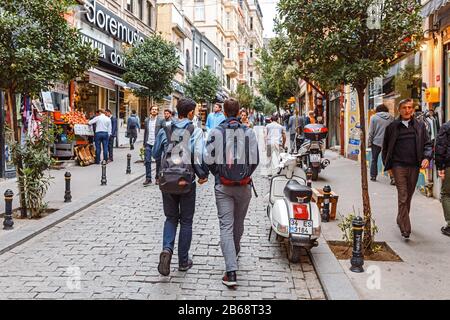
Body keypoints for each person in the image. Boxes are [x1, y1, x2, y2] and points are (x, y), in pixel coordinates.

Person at [205, 98, 259, 287]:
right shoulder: (249, 132)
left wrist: (219, 175)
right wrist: (244, 175)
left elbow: (208, 158)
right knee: (239, 224)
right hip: (244, 187)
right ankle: (233, 254)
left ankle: (231, 271)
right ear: (238, 113)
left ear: (224, 113)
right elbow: (255, 160)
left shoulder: (216, 131)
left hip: (223, 187)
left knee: (225, 227)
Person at [153, 98, 209, 276]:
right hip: (186, 181)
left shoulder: (165, 129)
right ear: (191, 113)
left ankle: (167, 250)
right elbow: (199, 155)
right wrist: (203, 174)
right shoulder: (195, 130)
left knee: (170, 218)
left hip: (167, 180)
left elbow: (155, 153)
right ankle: (183, 261)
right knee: (186, 221)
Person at [382, 98, 432, 240]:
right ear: (399, 110)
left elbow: (428, 144)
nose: (407, 110)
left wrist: (426, 158)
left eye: (410, 107)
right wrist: (388, 166)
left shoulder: (420, 126)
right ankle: (405, 228)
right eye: (404, 107)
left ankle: (400, 218)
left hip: (414, 166)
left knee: (408, 195)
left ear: (413, 110)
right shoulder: (392, 127)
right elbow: (385, 148)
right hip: (398, 166)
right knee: (403, 195)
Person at [368, 104, 394, 182]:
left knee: (374, 159)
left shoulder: (373, 117)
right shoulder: (391, 118)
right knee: (388, 160)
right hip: (388, 142)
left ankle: (373, 176)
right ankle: (392, 177)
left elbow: (371, 131)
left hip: (376, 141)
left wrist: (369, 141)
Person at [434, 120, 450, 237]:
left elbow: (440, 147)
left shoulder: (446, 127)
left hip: (449, 165)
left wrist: (440, 166)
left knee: (446, 194)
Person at [143, 106, 165, 186]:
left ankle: (157, 178)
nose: (154, 111)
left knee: (158, 161)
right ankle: (148, 178)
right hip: (148, 143)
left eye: (156, 109)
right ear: (150, 111)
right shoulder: (146, 120)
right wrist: (144, 143)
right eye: (153, 109)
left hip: (157, 143)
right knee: (147, 161)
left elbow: (164, 132)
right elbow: (145, 132)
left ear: (157, 111)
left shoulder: (161, 120)